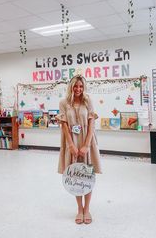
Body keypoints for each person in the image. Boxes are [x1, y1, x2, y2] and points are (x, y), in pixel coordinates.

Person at [56, 75, 101, 224]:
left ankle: (87, 209)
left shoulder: (88, 101)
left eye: (81, 86)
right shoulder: (63, 103)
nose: (78, 89)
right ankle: (79, 210)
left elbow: (92, 123)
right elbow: (64, 125)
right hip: (71, 142)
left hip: (86, 140)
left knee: (87, 176)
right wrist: (71, 146)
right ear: (71, 87)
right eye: (75, 86)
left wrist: (87, 145)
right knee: (76, 176)